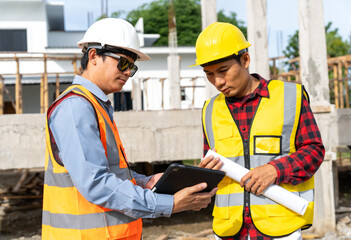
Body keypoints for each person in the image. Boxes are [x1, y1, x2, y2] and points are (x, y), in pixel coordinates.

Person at [41, 18, 217, 240]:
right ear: (94, 56)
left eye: (132, 67)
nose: (127, 73)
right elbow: (96, 183)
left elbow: (107, 170)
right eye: (123, 63)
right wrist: (169, 204)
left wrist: (145, 182)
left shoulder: (95, 105)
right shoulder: (76, 107)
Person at [194, 22, 325, 240]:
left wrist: (276, 170)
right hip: (229, 229)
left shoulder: (289, 97)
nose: (217, 81)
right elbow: (213, 165)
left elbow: (314, 150)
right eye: (209, 74)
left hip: (280, 227)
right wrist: (204, 174)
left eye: (223, 71)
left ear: (245, 60)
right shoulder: (209, 110)